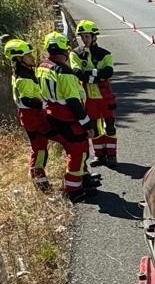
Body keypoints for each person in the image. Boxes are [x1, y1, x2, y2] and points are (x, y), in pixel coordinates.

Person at [38, 32, 97, 198]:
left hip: (53, 115)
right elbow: (74, 102)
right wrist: (87, 125)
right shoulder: (64, 72)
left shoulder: (43, 65)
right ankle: (73, 190)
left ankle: (83, 178)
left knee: (80, 149)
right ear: (63, 50)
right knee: (77, 152)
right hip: (69, 118)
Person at [4, 39, 50, 192]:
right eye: (27, 55)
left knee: (41, 147)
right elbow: (27, 99)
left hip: (33, 116)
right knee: (39, 149)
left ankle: (40, 178)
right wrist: (45, 105)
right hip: (32, 117)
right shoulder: (23, 77)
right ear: (18, 58)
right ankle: (39, 181)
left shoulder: (25, 71)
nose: (32, 57)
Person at [72, 21, 117, 167]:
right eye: (82, 37)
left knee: (110, 126)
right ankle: (99, 155)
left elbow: (109, 72)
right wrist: (97, 75)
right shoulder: (75, 54)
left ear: (94, 37)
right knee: (94, 127)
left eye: (87, 36)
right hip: (89, 97)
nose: (84, 40)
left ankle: (112, 155)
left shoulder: (105, 54)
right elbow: (78, 73)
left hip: (105, 96)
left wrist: (89, 75)